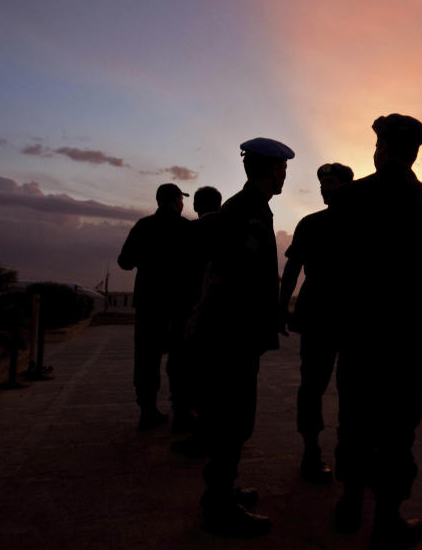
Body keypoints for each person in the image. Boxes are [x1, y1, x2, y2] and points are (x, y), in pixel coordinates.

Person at [331, 114, 422, 549]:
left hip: (360, 337)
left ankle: (350, 503)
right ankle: (387, 517)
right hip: (408, 339)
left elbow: (333, 272)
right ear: (415, 152)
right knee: (397, 428)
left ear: (383, 149)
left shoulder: (349, 198)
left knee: (355, 418)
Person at [190, 137, 294, 537]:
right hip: (232, 333)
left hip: (239, 332)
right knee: (232, 419)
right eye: (282, 168)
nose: (285, 174)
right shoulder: (245, 212)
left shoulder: (255, 209)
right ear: (270, 169)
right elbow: (233, 277)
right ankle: (218, 504)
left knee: (234, 417)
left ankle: (223, 488)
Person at [278, 162, 354, 483]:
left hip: (353, 316)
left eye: (332, 182)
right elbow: (292, 269)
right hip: (317, 316)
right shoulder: (309, 224)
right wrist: (281, 306)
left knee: (355, 390)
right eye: (322, 183)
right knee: (312, 386)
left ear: (346, 186)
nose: (325, 188)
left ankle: (352, 454)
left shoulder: (366, 225)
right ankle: (311, 451)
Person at [117, 183, 191, 431]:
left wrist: (147, 258)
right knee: (180, 362)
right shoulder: (185, 228)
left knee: (147, 360)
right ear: (174, 200)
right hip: (179, 306)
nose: (183, 204)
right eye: (181, 199)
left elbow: (125, 262)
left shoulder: (144, 226)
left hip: (149, 305)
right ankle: (181, 411)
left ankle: (147, 411)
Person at [166, 185, 223, 436]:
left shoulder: (189, 231)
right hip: (219, 309)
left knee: (182, 363)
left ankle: (186, 414)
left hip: (189, 308)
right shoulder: (231, 229)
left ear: (196, 207)